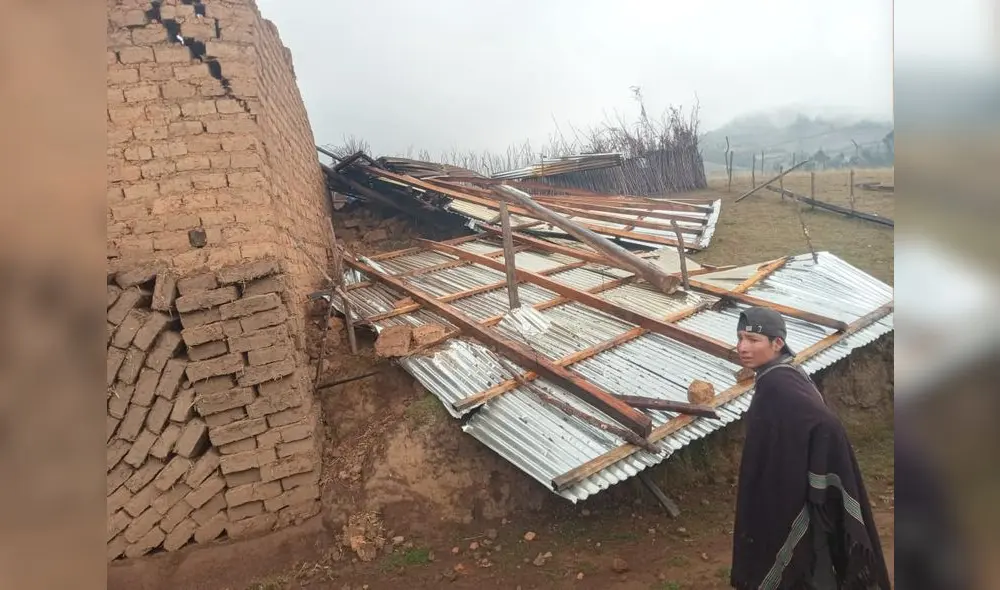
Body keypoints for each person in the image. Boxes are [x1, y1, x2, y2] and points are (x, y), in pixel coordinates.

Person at [729, 307, 891, 590]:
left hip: (795, 498)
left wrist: (816, 470)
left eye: (753, 341)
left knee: (804, 564)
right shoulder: (782, 373)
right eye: (740, 338)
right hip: (790, 489)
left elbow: (823, 423)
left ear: (777, 343)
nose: (743, 347)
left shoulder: (779, 384)